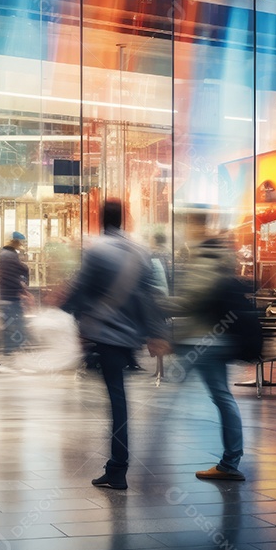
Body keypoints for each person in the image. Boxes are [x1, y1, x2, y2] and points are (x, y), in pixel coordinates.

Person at [61, 199, 170, 490]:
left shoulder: (97, 251)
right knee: (118, 399)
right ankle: (116, 465)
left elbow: (80, 291)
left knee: (117, 400)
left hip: (106, 335)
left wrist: (63, 310)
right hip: (130, 336)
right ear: (124, 219)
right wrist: (156, 333)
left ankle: (118, 467)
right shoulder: (140, 251)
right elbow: (149, 295)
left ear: (100, 219)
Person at [165, 226, 246, 481]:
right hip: (220, 341)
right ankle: (230, 461)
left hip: (199, 343)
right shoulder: (224, 264)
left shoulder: (203, 263)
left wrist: (156, 303)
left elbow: (190, 301)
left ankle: (229, 462)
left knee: (167, 396)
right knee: (223, 398)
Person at [0, 233, 31, 355]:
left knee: (9, 323)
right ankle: (16, 347)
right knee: (17, 322)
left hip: (5, 295)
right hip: (11, 295)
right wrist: (22, 287)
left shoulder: (4, 254)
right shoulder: (10, 256)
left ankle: (10, 348)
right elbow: (22, 269)